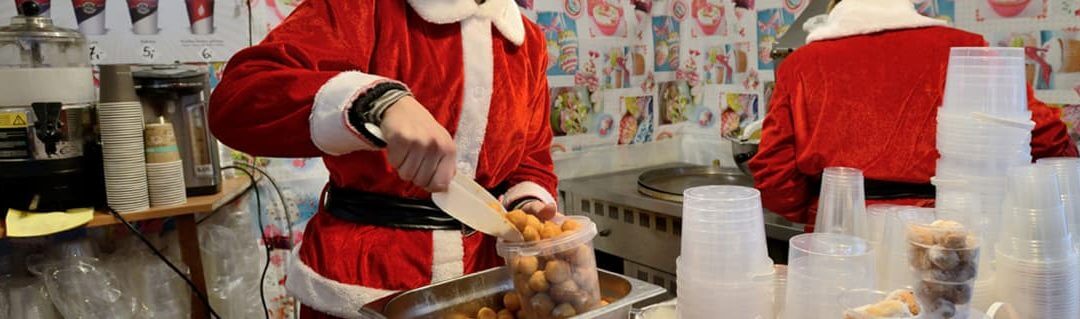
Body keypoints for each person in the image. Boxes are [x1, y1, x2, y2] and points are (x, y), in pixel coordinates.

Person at [208, 0, 559, 317]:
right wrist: (376, 103)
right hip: (362, 283)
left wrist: (529, 203)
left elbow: (532, 154)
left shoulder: (526, 40)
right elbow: (237, 101)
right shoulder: (360, 8)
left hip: (487, 280)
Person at [749, 0, 1078, 226]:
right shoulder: (968, 47)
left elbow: (774, 175)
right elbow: (1047, 137)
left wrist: (822, 208)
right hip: (954, 230)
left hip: (842, 235)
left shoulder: (801, 65)